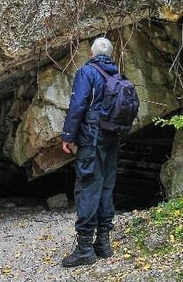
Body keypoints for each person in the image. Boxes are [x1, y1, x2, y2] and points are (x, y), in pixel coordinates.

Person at [60, 36, 121, 267]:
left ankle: (85, 248)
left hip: (91, 140)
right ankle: (103, 243)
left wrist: (68, 136)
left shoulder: (87, 72)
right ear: (110, 54)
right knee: (106, 187)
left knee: (87, 188)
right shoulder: (116, 74)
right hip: (111, 139)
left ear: (92, 54)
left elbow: (77, 106)